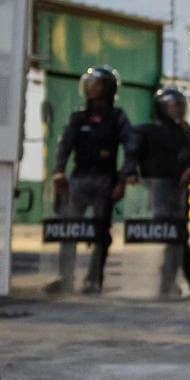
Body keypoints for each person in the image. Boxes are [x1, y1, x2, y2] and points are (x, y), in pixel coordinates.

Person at [47, 65, 139, 295]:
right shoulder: (79, 118)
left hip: (105, 180)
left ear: (108, 88)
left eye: (96, 84)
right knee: (69, 229)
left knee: (101, 232)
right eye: (89, 84)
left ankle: (93, 279)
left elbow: (131, 146)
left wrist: (123, 178)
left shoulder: (117, 118)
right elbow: (65, 145)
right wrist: (59, 172)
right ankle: (65, 277)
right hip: (78, 178)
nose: (91, 88)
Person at [135, 86, 190, 298]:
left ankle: (177, 281)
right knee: (174, 235)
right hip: (159, 189)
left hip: (178, 190)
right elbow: (136, 155)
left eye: (179, 106)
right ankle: (184, 280)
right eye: (172, 106)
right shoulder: (149, 131)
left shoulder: (185, 132)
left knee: (177, 237)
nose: (177, 111)